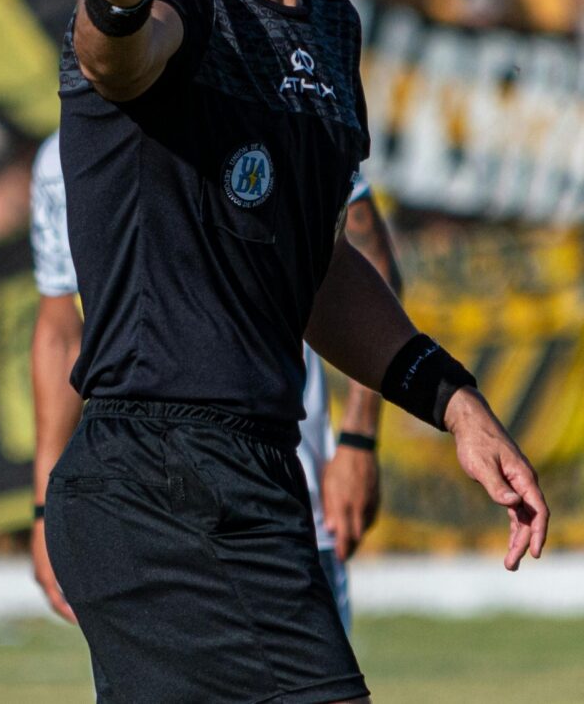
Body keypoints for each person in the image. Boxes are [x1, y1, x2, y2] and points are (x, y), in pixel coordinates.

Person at [48, 0, 547, 703]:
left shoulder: (329, 25)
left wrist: (449, 399)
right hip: (162, 472)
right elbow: (119, 60)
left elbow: (311, 266)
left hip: (249, 469)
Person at [29, 132, 397, 632]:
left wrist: (358, 437)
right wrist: (44, 508)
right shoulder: (61, 156)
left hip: (280, 496)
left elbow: (364, 264)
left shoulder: (273, 112)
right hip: (139, 508)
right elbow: (60, 330)